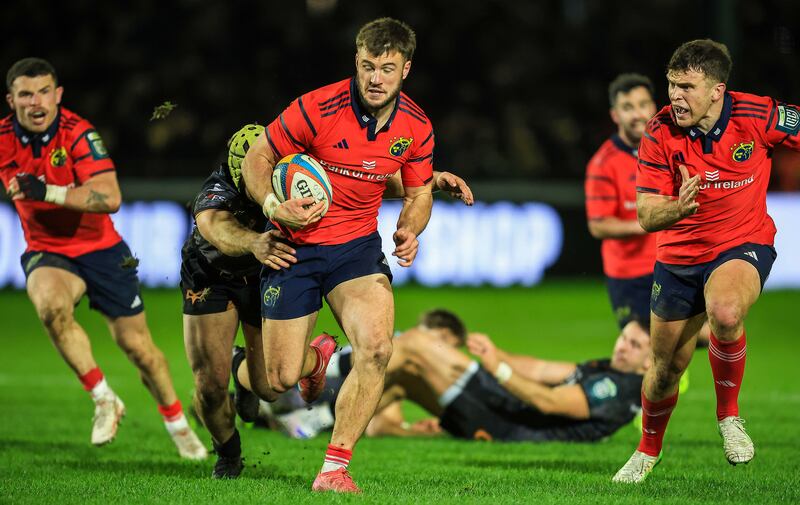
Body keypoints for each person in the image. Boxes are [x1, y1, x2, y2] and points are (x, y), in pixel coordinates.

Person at [183, 124, 471, 478]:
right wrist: (253, 243)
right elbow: (214, 226)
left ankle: (261, 370)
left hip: (266, 271)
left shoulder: (291, 168)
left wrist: (433, 179)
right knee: (209, 387)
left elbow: (366, 180)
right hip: (212, 275)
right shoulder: (218, 189)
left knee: (270, 387)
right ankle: (228, 453)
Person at [233, 17, 440, 493]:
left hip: (356, 251)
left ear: (405, 69)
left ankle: (333, 469)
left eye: (387, 68)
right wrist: (272, 204)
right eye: (367, 65)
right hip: (294, 249)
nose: (375, 78)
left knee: (378, 348)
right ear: (356, 61)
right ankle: (312, 358)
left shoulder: (417, 125)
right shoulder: (316, 107)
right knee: (279, 379)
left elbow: (419, 191)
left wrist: (409, 229)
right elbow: (257, 157)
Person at [612, 39, 800, 483]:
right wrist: (678, 208)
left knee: (726, 311)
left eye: (687, 87)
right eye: (672, 85)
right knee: (664, 370)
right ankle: (646, 451)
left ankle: (729, 418)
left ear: (717, 90)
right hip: (679, 258)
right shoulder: (659, 133)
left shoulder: (760, 115)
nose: (676, 96)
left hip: (743, 242)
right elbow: (645, 215)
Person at [0, 57, 206, 459]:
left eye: (44, 91)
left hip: (103, 252)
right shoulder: (3, 137)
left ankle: (178, 425)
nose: (36, 102)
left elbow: (110, 198)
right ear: (12, 100)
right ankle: (103, 397)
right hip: (49, 251)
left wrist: (48, 193)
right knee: (50, 307)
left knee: (139, 349)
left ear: (58, 95)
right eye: (26, 94)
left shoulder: (78, 134)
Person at [271, 316, 650, 443]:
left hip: (507, 424)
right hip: (501, 411)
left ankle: (314, 370)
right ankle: (307, 420)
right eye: (625, 337)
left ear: (652, 361)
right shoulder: (609, 368)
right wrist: (496, 356)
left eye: (635, 345)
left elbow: (549, 402)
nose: (623, 346)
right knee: (400, 378)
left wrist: (497, 370)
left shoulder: (619, 388)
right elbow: (539, 369)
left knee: (415, 344)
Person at [585, 74, 658, 329]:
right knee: (647, 349)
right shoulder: (603, 164)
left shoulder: (670, 151)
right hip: (631, 275)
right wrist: (646, 224)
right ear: (615, 115)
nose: (638, 114)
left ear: (654, 107)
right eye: (628, 107)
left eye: (643, 104)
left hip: (673, 263)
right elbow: (598, 226)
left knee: (691, 337)